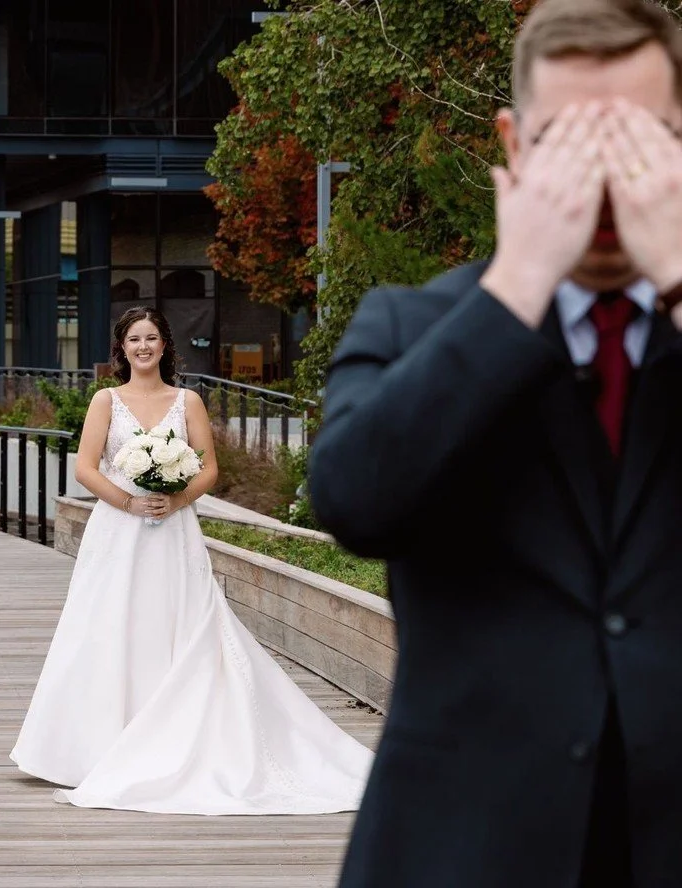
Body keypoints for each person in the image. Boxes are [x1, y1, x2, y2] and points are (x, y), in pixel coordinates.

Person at [308, 0, 682, 885]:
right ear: (512, 144)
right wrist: (515, 286)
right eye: (567, 145)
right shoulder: (411, 324)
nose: (601, 182)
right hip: (462, 845)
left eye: (637, 143)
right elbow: (354, 503)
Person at [10, 306, 372, 815]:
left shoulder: (187, 402)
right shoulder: (105, 401)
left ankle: (176, 731)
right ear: (121, 348)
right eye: (134, 339)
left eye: (151, 338)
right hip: (118, 530)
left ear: (164, 346)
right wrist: (129, 501)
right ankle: (93, 747)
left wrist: (178, 500)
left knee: (174, 620)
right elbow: (86, 469)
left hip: (173, 531)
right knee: (109, 623)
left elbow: (208, 467)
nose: (143, 347)